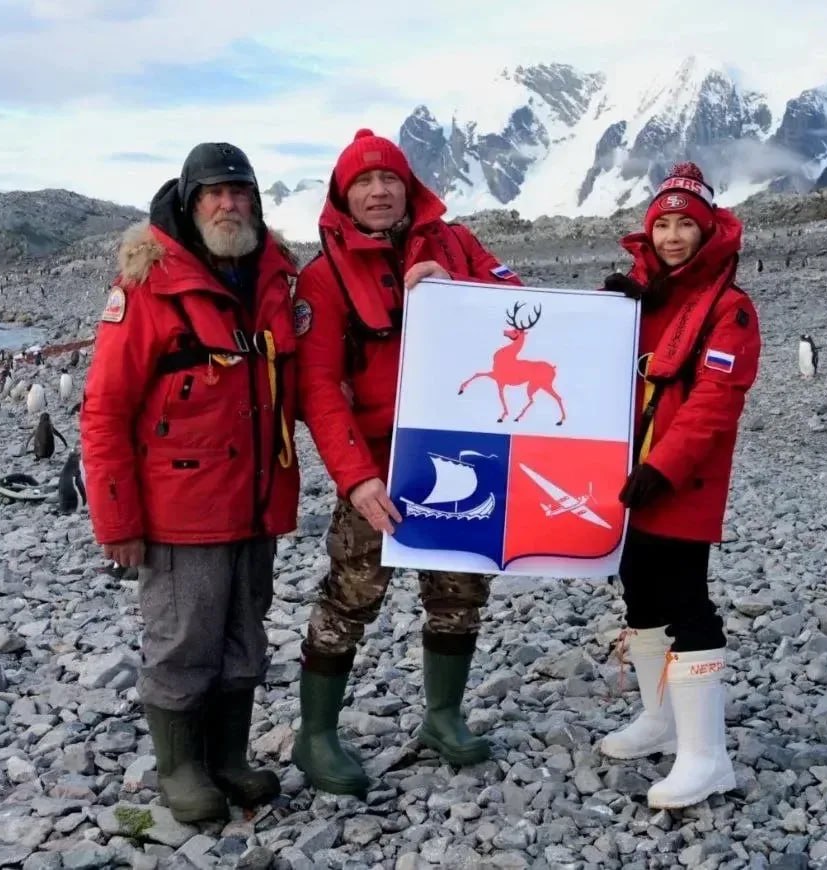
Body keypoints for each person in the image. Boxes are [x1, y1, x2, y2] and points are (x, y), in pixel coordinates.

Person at [290, 129, 523, 796]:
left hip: (460, 448)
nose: (378, 191)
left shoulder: (458, 245)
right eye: (363, 182)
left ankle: (443, 717)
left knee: (459, 591)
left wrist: (458, 291)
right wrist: (356, 477)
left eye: (389, 178)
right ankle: (315, 735)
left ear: (408, 186)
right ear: (342, 196)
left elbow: (518, 303)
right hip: (380, 464)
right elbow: (317, 387)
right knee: (352, 594)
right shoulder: (322, 278)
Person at [79, 142, 301, 822]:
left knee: (244, 639)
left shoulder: (272, 280)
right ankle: (180, 769)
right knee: (182, 643)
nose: (228, 204)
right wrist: (117, 521)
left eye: (240, 193)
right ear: (189, 202)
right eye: (213, 193)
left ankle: (227, 759)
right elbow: (104, 411)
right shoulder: (149, 289)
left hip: (256, 503)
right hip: (182, 512)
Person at [599, 161, 761, 809]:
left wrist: (662, 467)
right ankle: (660, 718)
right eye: (661, 225)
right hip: (628, 478)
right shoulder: (645, 300)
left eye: (684, 226)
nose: (671, 237)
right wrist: (605, 317)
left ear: (706, 231)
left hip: (680, 480)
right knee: (639, 592)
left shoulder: (729, 310)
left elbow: (716, 402)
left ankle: (706, 757)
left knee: (686, 599)